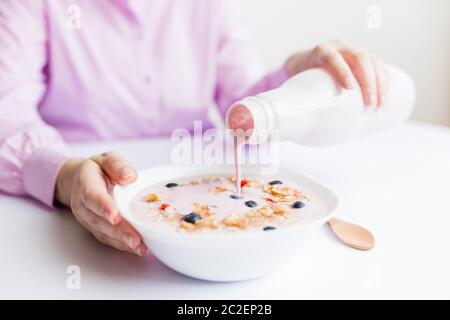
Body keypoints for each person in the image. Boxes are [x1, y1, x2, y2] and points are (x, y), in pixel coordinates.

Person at [0, 0, 389, 256]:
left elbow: (243, 104)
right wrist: (67, 178)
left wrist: (296, 76)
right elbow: (7, 116)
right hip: (69, 222)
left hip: (201, 204)